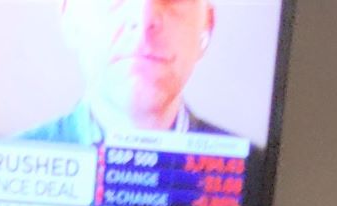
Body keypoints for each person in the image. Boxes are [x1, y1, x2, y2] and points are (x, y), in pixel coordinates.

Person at [19, 0, 238, 144]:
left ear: (207, 27)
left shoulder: (255, 181)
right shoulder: (7, 178)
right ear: (69, 18)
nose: (144, 19)